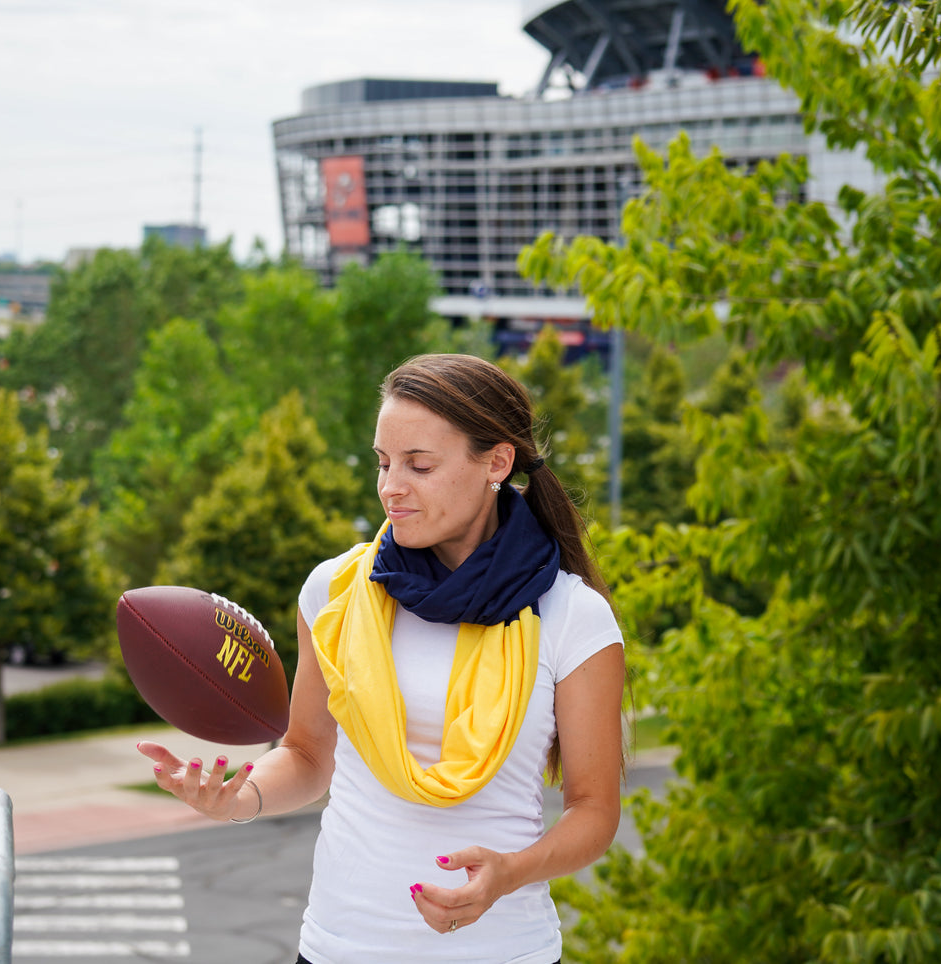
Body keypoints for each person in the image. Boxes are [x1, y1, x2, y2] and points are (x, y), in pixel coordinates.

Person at [137, 353, 626, 964]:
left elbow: (594, 811)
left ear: (497, 462)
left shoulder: (571, 616)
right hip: (340, 947)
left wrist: (510, 872)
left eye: (419, 465)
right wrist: (236, 798)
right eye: (384, 462)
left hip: (503, 951)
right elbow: (309, 756)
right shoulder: (335, 592)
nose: (391, 486)